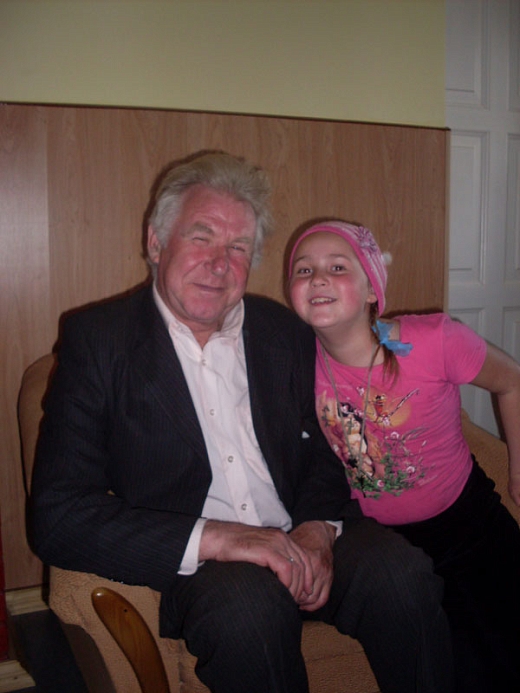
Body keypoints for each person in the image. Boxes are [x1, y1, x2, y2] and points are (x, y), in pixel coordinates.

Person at [30, 153, 454, 693]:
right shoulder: (98, 342)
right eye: (201, 237)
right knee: (248, 614)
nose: (219, 263)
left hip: (302, 529)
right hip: (208, 563)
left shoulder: (286, 332)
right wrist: (220, 539)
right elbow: (59, 514)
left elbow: (329, 447)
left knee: (402, 576)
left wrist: (317, 529)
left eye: (238, 248)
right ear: (156, 243)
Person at [287, 219, 520, 693]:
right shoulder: (293, 362)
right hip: (382, 544)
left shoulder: (435, 341)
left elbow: (512, 380)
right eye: (303, 270)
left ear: (372, 289)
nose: (318, 278)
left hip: (468, 526)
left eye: (337, 267)